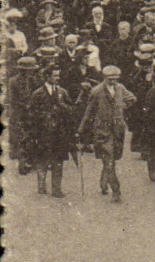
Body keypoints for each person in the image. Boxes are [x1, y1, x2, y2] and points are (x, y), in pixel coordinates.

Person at [78, 64, 135, 202]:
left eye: (115, 79)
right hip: (102, 131)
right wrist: (81, 130)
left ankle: (104, 180)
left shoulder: (120, 89)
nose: (113, 81)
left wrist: (123, 107)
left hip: (118, 130)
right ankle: (116, 191)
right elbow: (89, 112)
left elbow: (132, 98)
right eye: (110, 79)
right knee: (109, 160)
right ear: (104, 78)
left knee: (112, 159)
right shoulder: (96, 91)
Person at [25, 63, 76, 197]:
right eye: (54, 76)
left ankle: (56, 189)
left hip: (60, 133)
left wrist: (62, 106)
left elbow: (71, 110)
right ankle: (41, 187)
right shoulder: (38, 94)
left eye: (58, 75)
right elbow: (31, 114)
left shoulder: (62, 92)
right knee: (42, 160)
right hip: (43, 133)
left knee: (58, 161)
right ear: (47, 76)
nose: (57, 78)